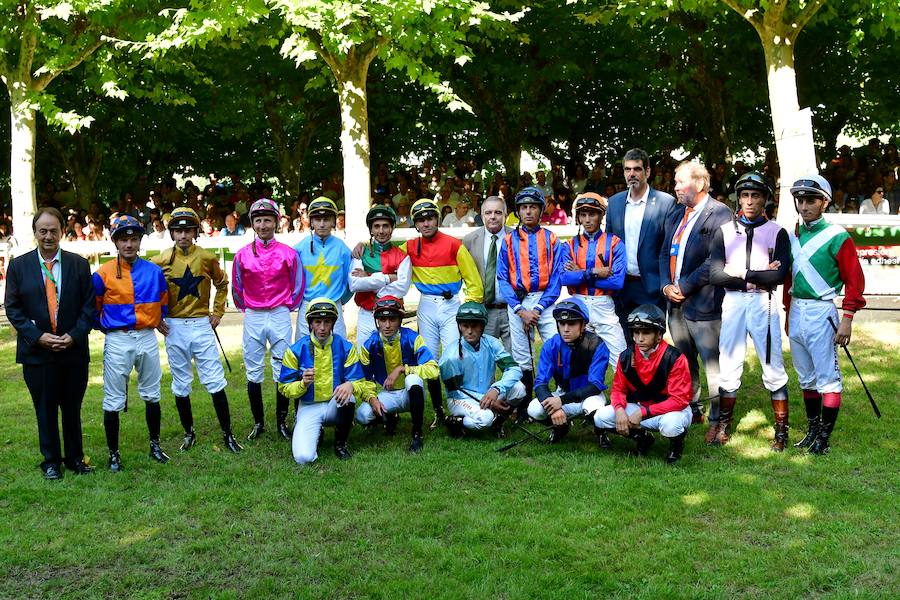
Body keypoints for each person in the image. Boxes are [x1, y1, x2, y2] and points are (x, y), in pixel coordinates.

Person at [5, 207, 95, 480]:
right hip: (37, 353)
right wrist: (38, 336)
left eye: (53, 231)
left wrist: (74, 335)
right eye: (42, 231)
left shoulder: (78, 265)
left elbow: (88, 307)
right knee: (45, 408)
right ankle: (51, 462)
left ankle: (75, 459)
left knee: (71, 407)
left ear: (62, 232)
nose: (48, 236)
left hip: (72, 351)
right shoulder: (19, 266)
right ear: (35, 233)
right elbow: (13, 308)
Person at [708, 173, 792, 450]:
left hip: (763, 303)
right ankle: (724, 425)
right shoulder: (724, 231)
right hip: (733, 301)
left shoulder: (777, 232)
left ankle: (781, 431)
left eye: (755, 195)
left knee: (773, 364)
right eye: (745, 195)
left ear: (765, 199)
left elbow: (778, 276)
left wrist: (741, 272)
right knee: (729, 363)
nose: (750, 201)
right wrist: (756, 275)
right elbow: (716, 276)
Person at [151, 207, 242, 453]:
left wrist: (217, 312)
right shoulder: (160, 260)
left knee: (214, 379)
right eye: (178, 230)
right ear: (172, 233)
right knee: (181, 382)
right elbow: (147, 289)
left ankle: (228, 434)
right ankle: (189, 432)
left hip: (201, 324)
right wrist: (156, 318)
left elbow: (223, 283)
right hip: (174, 326)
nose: (183, 235)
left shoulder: (206, 257)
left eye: (187, 230)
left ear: (195, 231)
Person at [786, 174, 866, 455]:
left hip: (822, 311)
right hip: (796, 310)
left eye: (811, 200)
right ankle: (812, 429)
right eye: (801, 201)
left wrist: (847, 318)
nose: (804, 206)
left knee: (827, 378)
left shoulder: (837, 236)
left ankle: (824, 437)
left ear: (825, 202)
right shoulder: (793, 234)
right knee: (805, 377)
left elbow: (854, 280)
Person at [93, 215, 170, 472]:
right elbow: (94, 308)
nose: (129, 244)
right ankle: (114, 454)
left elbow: (163, 302)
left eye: (133, 239)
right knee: (113, 398)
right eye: (124, 239)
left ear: (139, 241)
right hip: (118, 338)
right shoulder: (102, 273)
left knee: (152, 393)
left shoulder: (154, 271)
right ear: (115, 242)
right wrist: (108, 328)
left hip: (147, 336)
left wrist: (157, 321)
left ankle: (155, 445)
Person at [660, 161, 732, 425]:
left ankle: (718, 418)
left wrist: (684, 286)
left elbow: (716, 258)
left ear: (700, 183)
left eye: (680, 182)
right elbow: (663, 252)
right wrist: (666, 286)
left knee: (712, 364)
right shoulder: (676, 214)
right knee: (684, 361)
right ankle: (692, 409)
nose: (675, 187)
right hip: (675, 304)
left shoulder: (721, 214)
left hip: (704, 305)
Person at [402, 198, 483, 427]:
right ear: (416, 224)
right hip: (426, 304)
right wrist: (363, 248)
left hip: (450, 305)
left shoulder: (454, 245)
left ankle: (458, 403)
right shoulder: (409, 246)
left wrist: (470, 307)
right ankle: (438, 409)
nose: (426, 223)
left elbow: (473, 280)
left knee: (452, 355)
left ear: (437, 219)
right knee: (429, 357)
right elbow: (386, 257)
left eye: (430, 218)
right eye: (421, 220)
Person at [233, 198, 305, 441]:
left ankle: (281, 422)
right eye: (258, 220)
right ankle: (258, 422)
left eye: (267, 220)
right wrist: (250, 308)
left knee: (282, 368)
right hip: (253, 315)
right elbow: (237, 287)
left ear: (276, 221)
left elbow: (297, 285)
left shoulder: (288, 253)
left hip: (279, 314)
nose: (263, 225)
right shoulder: (242, 255)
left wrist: (286, 306)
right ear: (252, 223)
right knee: (253, 369)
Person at [279, 298, 375, 464]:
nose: (322, 328)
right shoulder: (295, 350)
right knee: (303, 458)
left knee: (349, 396)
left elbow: (359, 381)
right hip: (309, 406)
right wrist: (303, 384)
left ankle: (341, 444)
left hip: (334, 403)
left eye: (327, 322)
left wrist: (350, 384)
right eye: (317, 322)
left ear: (333, 323)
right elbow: (284, 388)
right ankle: (316, 431)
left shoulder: (346, 347)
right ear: (310, 323)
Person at [594, 304, 693, 463]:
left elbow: (679, 400)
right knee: (601, 416)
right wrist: (619, 410)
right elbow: (618, 390)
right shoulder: (625, 357)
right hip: (639, 410)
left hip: (669, 411)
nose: (640, 338)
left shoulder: (675, 358)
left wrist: (643, 412)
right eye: (636, 332)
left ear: (659, 334)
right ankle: (643, 437)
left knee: (672, 424)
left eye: (646, 333)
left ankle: (676, 447)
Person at [497, 186, 563, 416]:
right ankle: (524, 406)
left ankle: (562, 398)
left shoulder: (552, 239)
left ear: (541, 210)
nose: (528, 212)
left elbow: (557, 278)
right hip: (517, 302)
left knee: (556, 347)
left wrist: (537, 308)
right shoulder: (507, 241)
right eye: (524, 207)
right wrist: (519, 309)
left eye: (533, 207)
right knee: (522, 355)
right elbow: (502, 278)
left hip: (545, 301)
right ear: (518, 211)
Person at [606, 148, 678, 330]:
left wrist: (664, 284)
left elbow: (668, 247)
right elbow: (608, 243)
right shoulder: (614, 203)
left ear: (648, 171)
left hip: (651, 287)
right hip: (621, 286)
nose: (632, 174)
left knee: (650, 344)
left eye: (637, 169)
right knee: (624, 344)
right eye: (627, 169)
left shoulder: (666, 203)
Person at [356, 297, 438, 452]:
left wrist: (402, 369)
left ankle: (417, 434)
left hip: (411, 393)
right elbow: (364, 381)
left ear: (400, 320)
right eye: (382, 319)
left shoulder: (413, 338)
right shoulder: (369, 345)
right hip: (389, 395)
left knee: (412, 379)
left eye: (392, 319)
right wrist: (372, 399)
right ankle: (390, 417)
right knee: (362, 415)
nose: (387, 325)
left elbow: (433, 369)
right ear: (377, 321)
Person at [559, 193, 627, 373]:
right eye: (583, 215)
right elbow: (564, 278)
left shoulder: (615, 243)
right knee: (575, 359)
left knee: (620, 358)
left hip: (604, 306)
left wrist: (579, 274)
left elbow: (617, 282)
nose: (587, 220)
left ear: (601, 215)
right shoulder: (568, 245)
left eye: (592, 214)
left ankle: (626, 399)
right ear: (578, 217)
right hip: (578, 304)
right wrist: (595, 272)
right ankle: (576, 396)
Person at [526, 299, 610, 444]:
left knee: (595, 409)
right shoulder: (551, 345)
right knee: (534, 409)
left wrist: (560, 401)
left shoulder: (597, 344)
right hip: (563, 393)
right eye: (562, 323)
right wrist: (553, 407)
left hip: (589, 396)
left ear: (583, 324)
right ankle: (560, 428)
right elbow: (540, 383)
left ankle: (601, 432)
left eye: (571, 324)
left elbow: (595, 385)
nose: (565, 328)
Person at [438, 302, 526, 438]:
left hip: (489, 393)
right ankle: (457, 422)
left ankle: (498, 422)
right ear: (459, 326)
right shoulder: (451, 356)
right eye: (465, 326)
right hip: (460, 399)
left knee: (519, 388)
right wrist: (489, 401)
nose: (469, 331)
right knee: (486, 418)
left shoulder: (492, 343)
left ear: (483, 326)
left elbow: (514, 368)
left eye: (474, 326)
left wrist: (496, 389)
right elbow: (455, 391)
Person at [349, 205, 411, 344]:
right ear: (371, 229)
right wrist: (388, 278)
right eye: (376, 226)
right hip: (366, 315)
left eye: (385, 226)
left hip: (391, 317)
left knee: (391, 362)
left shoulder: (403, 256)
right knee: (364, 360)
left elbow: (402, 288)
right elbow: (354, 285)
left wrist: (368, 277)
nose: (381, 231)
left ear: (392, 228)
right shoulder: (360, 252)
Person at [294, 197, 352, 340]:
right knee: (304, 352)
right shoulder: (299, 249)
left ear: (333, 221)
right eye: (318, 219)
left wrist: (338, 301)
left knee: (338, 351)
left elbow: (349, 282)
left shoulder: (343, 249)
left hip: (334, 305)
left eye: (326, 219)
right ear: (311, 221)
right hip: (307, 306)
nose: (322, 224)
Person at [462, 196, 513, 351]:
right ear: (482, 215)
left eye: (498, 212)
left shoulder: (517, 237)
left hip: (512, 309)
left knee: (517, 359)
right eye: (488, 212)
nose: (493, 216)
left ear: (505, 215)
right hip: (484, 310)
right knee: (484, 360)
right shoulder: (470, 240)